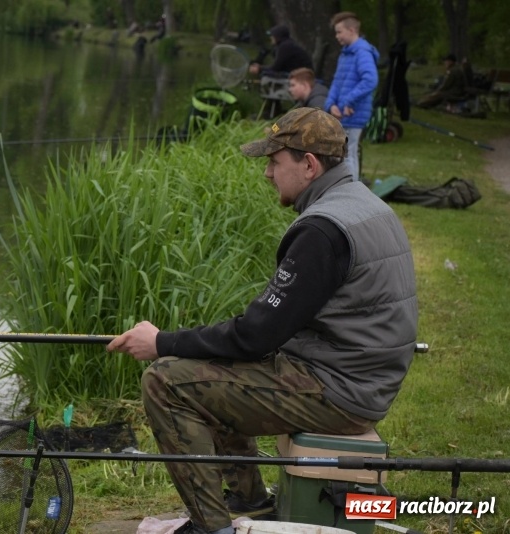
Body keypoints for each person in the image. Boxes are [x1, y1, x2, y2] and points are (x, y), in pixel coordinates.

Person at [107, 107, 418, 534]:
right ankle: (249, 500)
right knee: (211, 368)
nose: (268, 173)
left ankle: (214, 528)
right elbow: (264, 331)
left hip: (341, 390)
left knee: (165, 381)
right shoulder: (364, 204)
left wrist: (161, 342)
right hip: (362, 377)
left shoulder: (323, 232)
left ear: (308, 164)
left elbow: (254, 336)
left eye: (275, 162)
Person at [324, 12, 379, 181]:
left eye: (340, 31)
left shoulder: (362, 52)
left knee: (348, 155)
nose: (337, 36)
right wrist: (331, 104)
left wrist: (348, 101)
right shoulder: (345, 53)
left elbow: (370, 79)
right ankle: (345, 191)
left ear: (352, 30)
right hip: (341, 112)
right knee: (342, 154)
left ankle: (351, 194)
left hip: (353, 113)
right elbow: (337, 82)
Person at [248, 25, 313, 77]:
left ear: (278, 36)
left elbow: (275, 67)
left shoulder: (285, 46)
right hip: (299, 71)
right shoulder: (287, 44)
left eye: (272, 35)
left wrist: (259, 68)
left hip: (303, 74)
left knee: (265, 75)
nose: (271, 37)